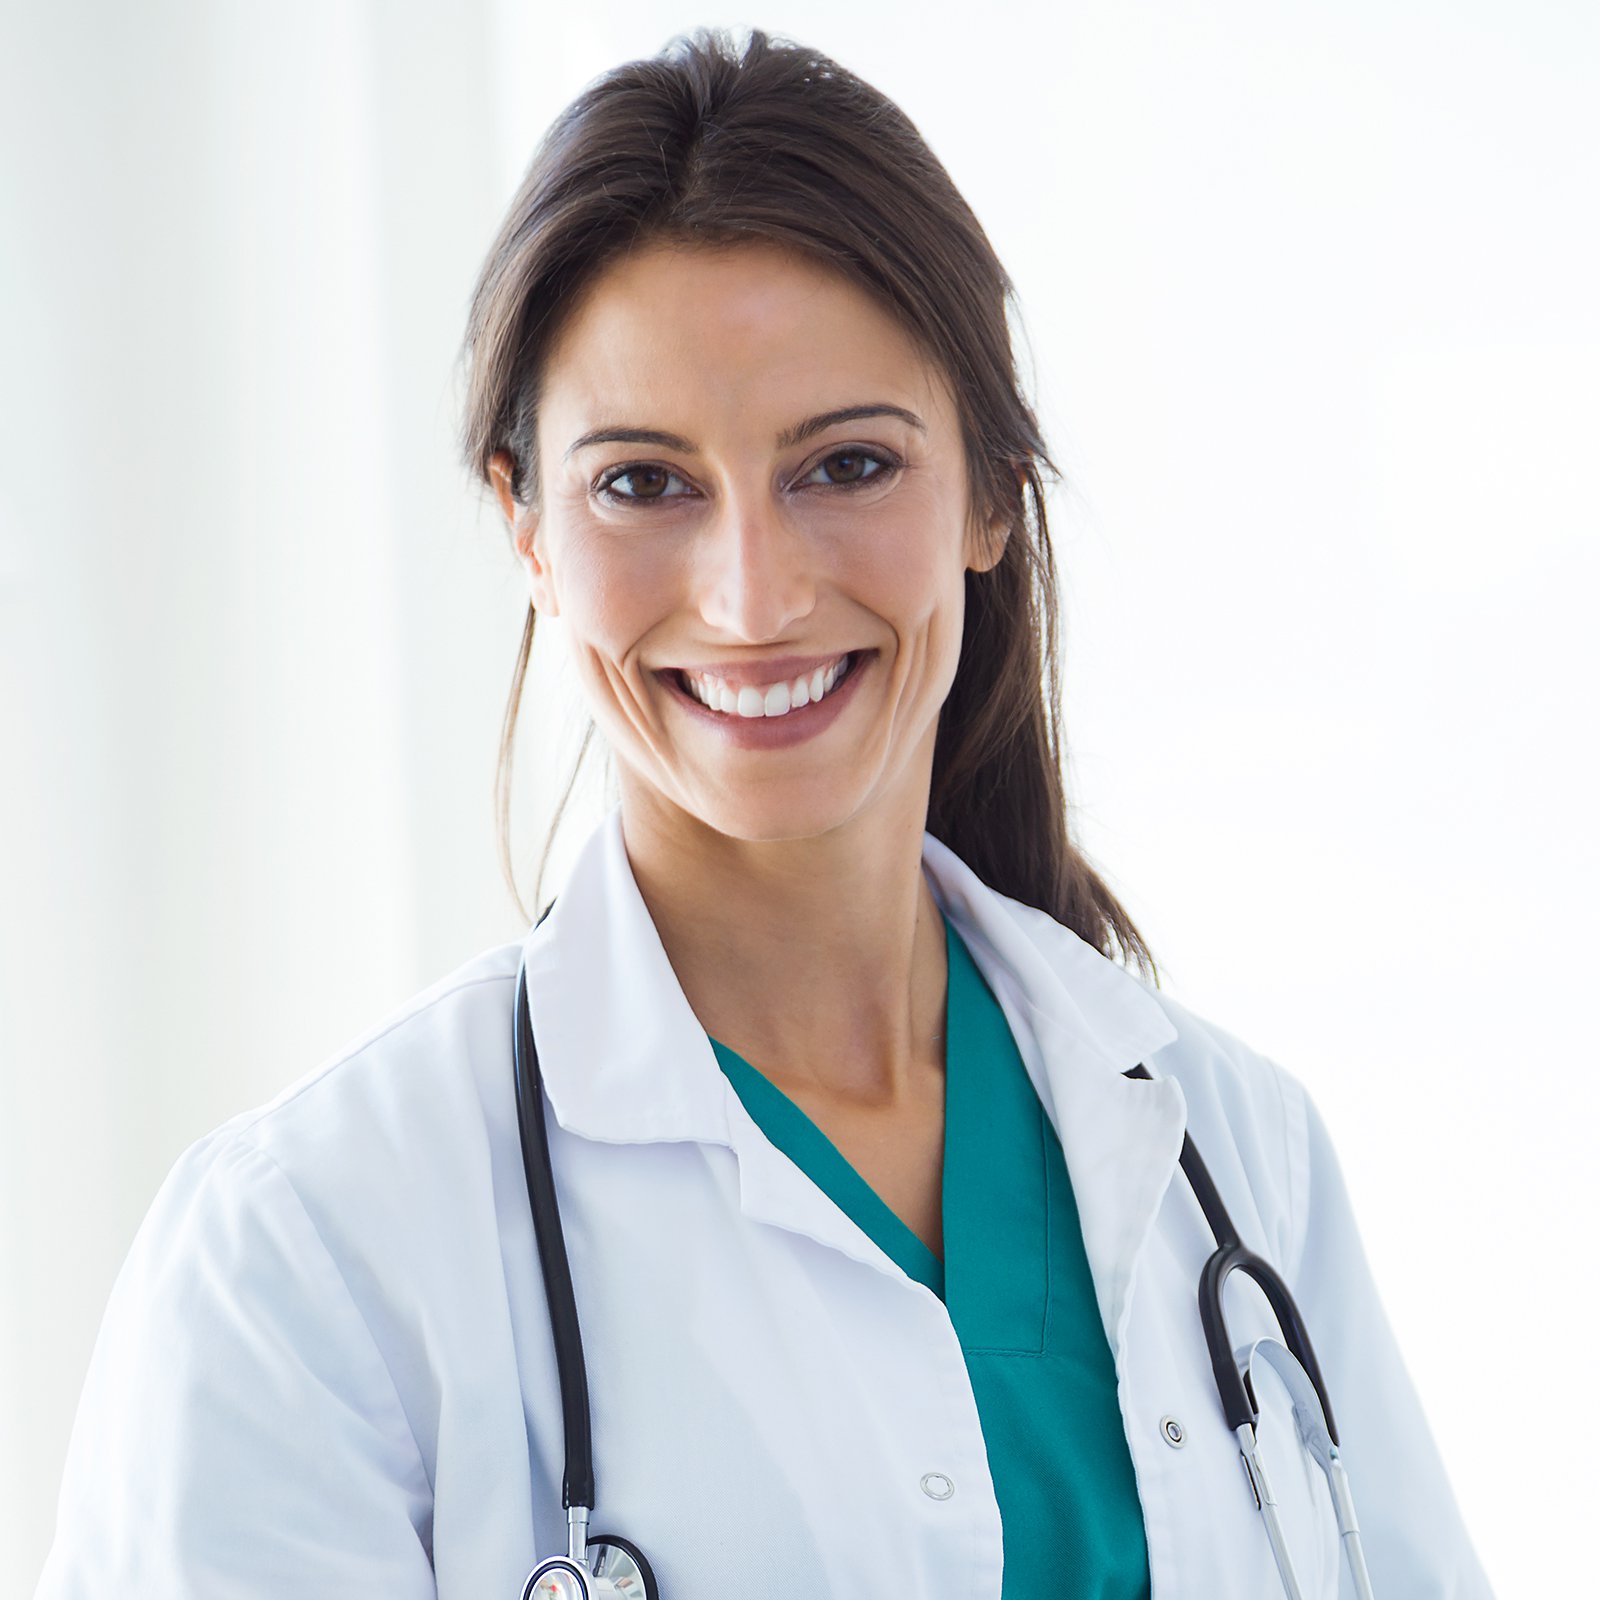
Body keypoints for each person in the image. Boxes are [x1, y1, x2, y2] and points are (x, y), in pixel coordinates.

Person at [35, 26, 1493, 1600]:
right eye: (643, 485)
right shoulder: (310, 1259)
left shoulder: (1235, 1154)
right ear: (523, 520)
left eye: (846, 463)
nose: (753, 598)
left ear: (993, 491)